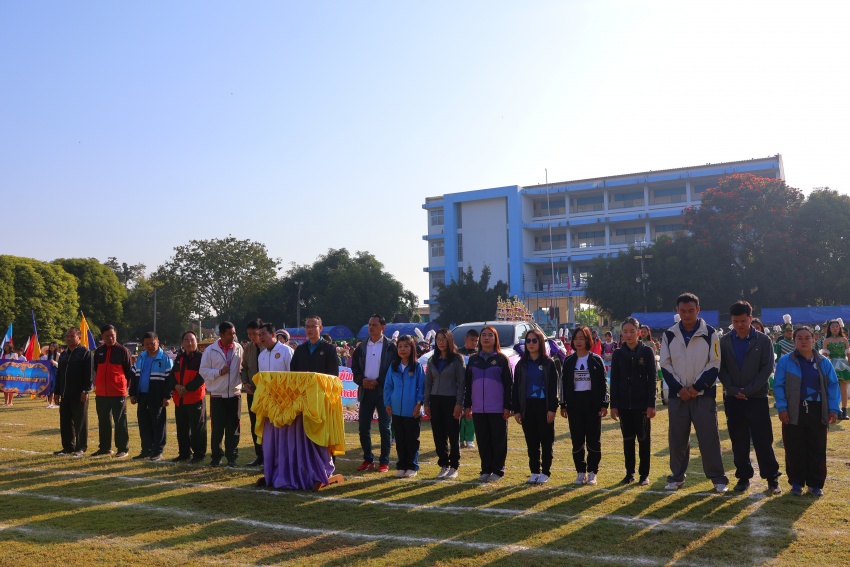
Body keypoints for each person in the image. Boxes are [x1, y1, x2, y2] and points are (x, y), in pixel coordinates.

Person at [660, 293, 729, 492]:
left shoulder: (710, 333)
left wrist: (697, 387)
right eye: (683, 311)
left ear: (698, 310)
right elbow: (665, 365)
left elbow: (714, 363)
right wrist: (679, 388)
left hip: (703, 395)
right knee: (677, 439)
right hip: (678, 396)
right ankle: (676, 477)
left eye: (691, 310)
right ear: (677, 311)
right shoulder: (669, 334)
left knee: (709, 438)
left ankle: (718, 479)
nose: (687, 315)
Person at [718, 301, 781, 494]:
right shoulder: (724, 341)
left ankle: (772, 478)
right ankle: (743, 477)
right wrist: (732, 389)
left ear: (750, 318)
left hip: (757, 398)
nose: (739, 325)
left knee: (763, 439)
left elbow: (766, 369)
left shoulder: (763, 341)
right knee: (738, 440)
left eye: (743, 321)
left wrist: (749, 390)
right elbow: (721, 369)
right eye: (735, 321)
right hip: (733, 398)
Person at [774, 326, 840, 496]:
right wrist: (782, 407)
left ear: (813, 339)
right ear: (794, 341)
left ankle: (815, 484)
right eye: (799, 338)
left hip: (818, 410)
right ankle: (796, 483)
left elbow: (833, 386)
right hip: (793, 410)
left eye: (807, 338)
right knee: (794, 447)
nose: (803, 341)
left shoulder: (824, 362)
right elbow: (779, 386)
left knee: (817, 447)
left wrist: (833, 409)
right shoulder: (785, 361)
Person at [610, 318, 656, 486]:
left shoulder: (647, 352)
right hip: (624, 406)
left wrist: (651, 404)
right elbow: (614, 380)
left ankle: (644, 475)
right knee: (628, 441)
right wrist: (614, 405)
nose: (628, 335)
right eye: (625, 332)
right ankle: (629, 473)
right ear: (621, 334)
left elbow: (652, 379)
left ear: (639, 333)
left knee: (643, 440)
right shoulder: (617, 353)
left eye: (632, 331)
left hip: (642, 406)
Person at [463, 326, 512, 482]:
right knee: (483, 440)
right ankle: (486, 469)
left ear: (495, 338)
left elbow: (509, 385)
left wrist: (508, 406)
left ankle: (498, 469)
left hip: (497, 408)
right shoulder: (473, 360)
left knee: (498, 440)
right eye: (483, 335)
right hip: (478, 409)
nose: (486, 338)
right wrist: (467, 405)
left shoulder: (502, 359)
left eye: (490, 335)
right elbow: (468, 385)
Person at [561, 326, 608, 485]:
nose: (578, 341)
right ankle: (580, 472)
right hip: (574, 405)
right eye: (576, 338)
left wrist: (604, 403)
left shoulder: (596, 360)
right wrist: (563, 405)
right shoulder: (568, 361)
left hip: (592, 404)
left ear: (588, 340)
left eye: (582, 338)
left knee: (593, 440)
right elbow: (563, 384)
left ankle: (592, 472)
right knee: (577, 440)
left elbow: (603, 383)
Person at [512, 328, 559, 484]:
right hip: (527, 406)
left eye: (534, 340)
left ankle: (545, 472)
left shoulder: (548, 363)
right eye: (528, 341)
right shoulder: (521, 364)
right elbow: (516, 388)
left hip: (544, 406)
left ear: (540, 342)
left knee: (546, 440)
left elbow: (553, 388)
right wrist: (517, 410)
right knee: (531, 441)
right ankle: (534, 471)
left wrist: (552, 408)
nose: (531, 344)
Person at [351, 315, 396, 473]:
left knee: (385, 428)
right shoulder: (361, 346)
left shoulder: (391, 346)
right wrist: (361, 380)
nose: (371, 327)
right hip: (365, 391)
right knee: (363, 427)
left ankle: (384, 461)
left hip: (384, 392)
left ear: (383, 327)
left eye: (374, 325)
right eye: (369, 324)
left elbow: (393, 368)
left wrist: (378, 381)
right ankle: (368, 459)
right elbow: (355, 368)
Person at [200, 321, 244, 467]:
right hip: (217, 395)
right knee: (217, 429)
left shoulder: (239, 348)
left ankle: (232, 457)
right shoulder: (210, 350)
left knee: (234, 428)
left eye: (234, 333)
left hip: (235, 394)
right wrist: (219, 372)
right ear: (222, 335)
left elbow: (243, 367)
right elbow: (203, 371)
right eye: (230, 334)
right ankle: (216, 457)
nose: (233, 336)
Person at [424, 328, 465, 480]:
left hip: (451, 400)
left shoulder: (457, 359)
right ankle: (443, 464)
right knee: (438, 434)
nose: (440, 342)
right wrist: (426, 403)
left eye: (443, 339)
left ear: (449, 340)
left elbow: (462, 383)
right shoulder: (432, 360)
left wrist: (459, 403)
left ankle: (454, 466)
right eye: (438, 339)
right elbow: (428, 383)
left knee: (453, 434)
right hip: (435, 400)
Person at [383, 334, 425, 478]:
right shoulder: (393, 366)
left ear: (412, 348)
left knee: (412, 440)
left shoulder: (417, 366)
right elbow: (388, 386)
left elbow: (422, 387)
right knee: (400, 439)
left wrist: (419, 404)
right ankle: (401, 466)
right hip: (396, 410)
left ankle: (412, 466)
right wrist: (387, 403)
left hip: (412, 410)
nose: (402, 349)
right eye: (400, 346)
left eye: (406, 346)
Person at [130, 332, 173, 462]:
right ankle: (146, 450)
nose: (149, 346)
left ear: (157, 342)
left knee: (158, 424)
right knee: (144, 424)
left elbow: (170, 379)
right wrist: (133, 393)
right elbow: (134, 376)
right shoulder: (141, 357)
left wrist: (167, 396)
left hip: (157, 397)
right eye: (146, 344)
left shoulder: (165, 359)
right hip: (142, 396)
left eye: (152, 343)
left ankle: (157, 451)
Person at [92, 325, 134, 458]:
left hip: (118, 392)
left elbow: (129, 372)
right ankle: (105, 448)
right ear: (102, 337)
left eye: (113, 336)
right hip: (101, 393)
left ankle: (123, 449)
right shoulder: (98, 351)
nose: (110, 338)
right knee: (103, 421)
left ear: (116, 335)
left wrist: (127, 389)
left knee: (120, 421)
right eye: (107, 336)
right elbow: (96, 370)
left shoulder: (123, 351)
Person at [166, 331, 206, 463]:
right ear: (182, 343)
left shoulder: (201, 358)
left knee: (197, 428)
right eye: (186, 340)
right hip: (180, 399)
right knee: (182, 427)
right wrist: (176, 386)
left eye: (192, 340)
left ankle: (199, 454)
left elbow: (202, 377)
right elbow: (172, 375)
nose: (190, 343)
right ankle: (184, 453)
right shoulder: (179, 358)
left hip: (195, 397)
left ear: (197, 341)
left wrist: (187, 388)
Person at [53, 328, 93, 457]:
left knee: (80, 421)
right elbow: (59, 374)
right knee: (65, 421)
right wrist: (57, 392)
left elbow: (89, 374)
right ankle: (68, 447)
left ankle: (80, 447)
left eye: (72, 336)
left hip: (79, 394)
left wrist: (85, 390)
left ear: (79, 338)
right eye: (67, 336)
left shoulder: (85, 353)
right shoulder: (64, 354)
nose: (68, 338)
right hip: (65, 394)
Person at [241, 319, 264, 466]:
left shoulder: (268, 347)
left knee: (267, 425)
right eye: (249, 334)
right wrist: (245, 383)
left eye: (254, 333)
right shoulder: (248, 348)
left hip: (267, 393)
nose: (252, 337)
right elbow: (244, 368)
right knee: (254, 424)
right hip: (252, 393)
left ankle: (270, 456)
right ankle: (259, 455)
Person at [820, 319, 850, 420]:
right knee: (833, 388)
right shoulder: (827, 340)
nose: (835, 328)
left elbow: (848, 354)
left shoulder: (844, 340)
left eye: (837, 326)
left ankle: (844, 411)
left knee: (844, 388)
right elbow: (824, 356)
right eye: (832, 326)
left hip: (844, 365)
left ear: (840, 328)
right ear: (829, 329)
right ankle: (835, 410)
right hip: (831, 365)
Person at [456, 329, 479, 449]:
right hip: (459, 387)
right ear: (465, 339)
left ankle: (469, 438)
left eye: (476, 341)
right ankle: (460, 439)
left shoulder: (478, 354)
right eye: (472, 340)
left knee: (470, 414)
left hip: (473, 387)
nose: (474, 343)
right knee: (459, 413)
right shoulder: (457, 353)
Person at [41, 342, 60, 408]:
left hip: (55, 372)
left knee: (54, 387)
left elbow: (60, 365)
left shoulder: (58, 355)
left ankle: (55, 402)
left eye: (53, 346)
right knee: (49, 387)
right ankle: (50, 402)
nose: (51, 347)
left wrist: (54, 362)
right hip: (49, 372)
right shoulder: (48, 355)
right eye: (50, 346)